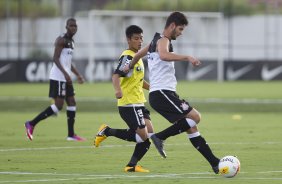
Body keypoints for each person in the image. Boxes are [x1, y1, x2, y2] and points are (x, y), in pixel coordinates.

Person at [125, 12, 220, 174]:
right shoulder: (163, 40)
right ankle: (159, 137)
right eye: (180, 29)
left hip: (163, 94)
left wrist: (130, 65)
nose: (181, 33)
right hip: (162, 93)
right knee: (195, 117)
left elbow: (139, 54)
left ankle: (215, 163)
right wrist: (187, 57)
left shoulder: (155, 40)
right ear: (172, 25)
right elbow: (163, 55)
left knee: (191, 127)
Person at [94, 25, 165, 173]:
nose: (139, 41)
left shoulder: (137, 58)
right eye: (136, 38)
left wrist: (153, 87)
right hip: (129, 103)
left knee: (149, 134)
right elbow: (115, 75)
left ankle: (131, 165)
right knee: (143, 137)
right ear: (128, 40)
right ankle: (107, 131)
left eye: (141, 38)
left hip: (139, 102)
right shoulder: (127, 56)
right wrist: (117, 90)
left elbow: (139, 81)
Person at [24, 18, 86, 142]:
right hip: (58, 77)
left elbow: (68, 63)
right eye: (71, 26)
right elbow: (55, 58)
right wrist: (65, 74)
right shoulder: (61, 40)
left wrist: (77, 74)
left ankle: (71, 135)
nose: (73, 28)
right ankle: (31, 123)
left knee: (72, 102)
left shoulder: (71, 42)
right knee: (58, 105)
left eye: (75, 26)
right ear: (66, 26)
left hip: (66, 77)